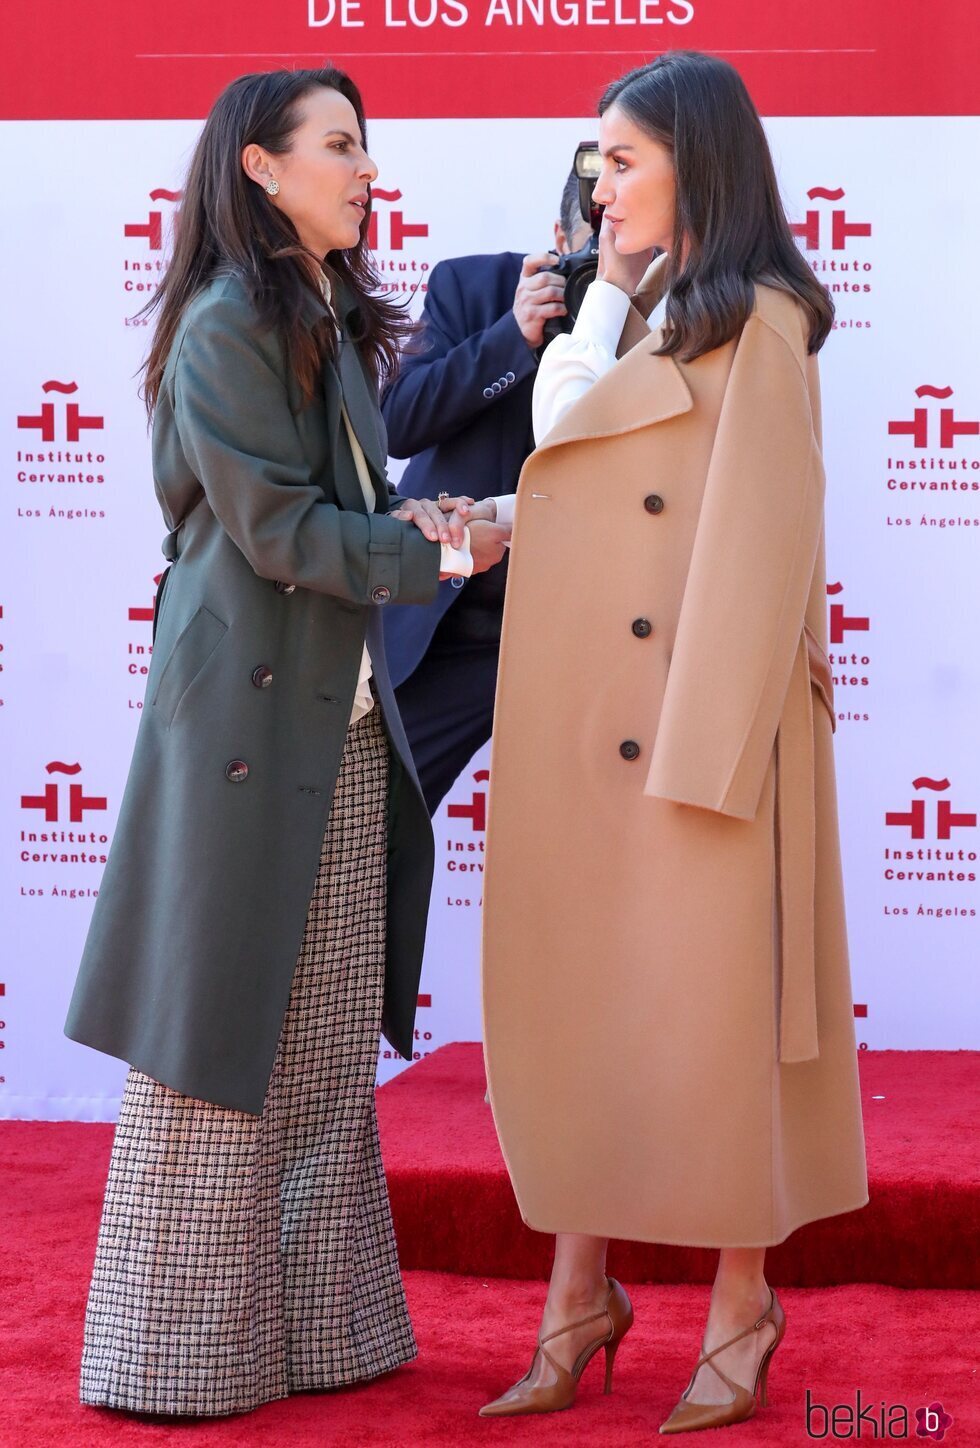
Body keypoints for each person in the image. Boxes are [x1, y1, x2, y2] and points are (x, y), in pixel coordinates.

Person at [428, 51, 869, 1433]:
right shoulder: (624, 311)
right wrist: (606, 288)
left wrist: (712, 758)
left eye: (620, 159)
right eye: (595, 162)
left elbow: (756, 553)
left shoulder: (767, 323)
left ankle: (739, 1305)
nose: (596, 183)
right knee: (585, 1018)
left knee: (715, 1022)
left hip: (697, 729)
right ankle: (580, 1297)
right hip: (577, 720)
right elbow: (564, 442)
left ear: (697, 160)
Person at [63, 66, 506, 1418]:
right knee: (219, 1042)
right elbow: (278, 534)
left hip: (337, 715)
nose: (367, 168)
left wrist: (437, 528)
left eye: (366, 145)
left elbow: (347, 510)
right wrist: (447, 556)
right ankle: (176, 1360)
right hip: (252, 717)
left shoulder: (320, 309)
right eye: (339, 146)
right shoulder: (222, 323)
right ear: (259, 168)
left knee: (315, 1047)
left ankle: (325, 1339)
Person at [380, 179, 592, 813]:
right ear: (559, 243)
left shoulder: (676, 318)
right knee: (372, 823)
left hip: (592, 632)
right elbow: (399, 423)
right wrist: (513, 335)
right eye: (592, 256)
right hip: (460, 619)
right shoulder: (472, 290)